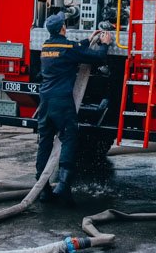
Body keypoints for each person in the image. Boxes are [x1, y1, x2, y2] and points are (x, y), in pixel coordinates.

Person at [35, 11, 113, 202]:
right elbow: (96, 58)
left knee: (45, 140)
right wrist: (105, 43)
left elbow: (75, 49)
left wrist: (88, 39)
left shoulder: (46, 47)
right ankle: (63, 185)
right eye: (65, 24)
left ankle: (42, 187)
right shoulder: (68, 48)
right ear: (62, 28)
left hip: (45, 101)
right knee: (69, 136)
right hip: (62, 100)